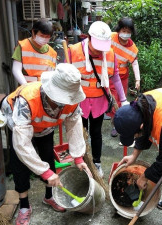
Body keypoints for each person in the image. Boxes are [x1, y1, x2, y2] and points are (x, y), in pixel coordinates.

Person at [1, 63, 92, 225]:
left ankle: (49, 196)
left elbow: (74, 125)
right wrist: (44, 172)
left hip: (44, 126)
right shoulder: (27, 100)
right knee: (20, 164)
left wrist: (78, 157)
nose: (65, 102)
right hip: (18, 123)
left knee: (48, 157)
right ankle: (24, 206)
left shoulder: (71, 100)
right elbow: (22, 144)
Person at [114, 88, 162, 225]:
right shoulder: (139, 106)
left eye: (133, 135)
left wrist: (144, 176)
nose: (135, 137)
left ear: (140, 126)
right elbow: (143, 133)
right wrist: (134, 156)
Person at [69, 21, 128, 178]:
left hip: (99, 101)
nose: (99, 49)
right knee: (79, 133)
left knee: (96, 133)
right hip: (78, 100)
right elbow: (66, 77)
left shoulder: (110, 53)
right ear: (88, 38)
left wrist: (123, 100)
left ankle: (96, 162)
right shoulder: (73, 51)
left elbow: (115, 76)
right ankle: (81, 163)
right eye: (97, 45)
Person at [109, 17, 140, 137]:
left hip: (122, 76)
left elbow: (135, 63)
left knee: (121, 100)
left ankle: (117, 124)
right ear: (119, 29)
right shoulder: (110, 37)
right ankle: (114, 119)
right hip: (109, 74)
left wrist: (138, 79)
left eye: (128, 31)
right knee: (112, 98)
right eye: (123, 30)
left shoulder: (133, 48)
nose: (125, 34)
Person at [12, 19, 57, 85]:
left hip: (44, 89)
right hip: (26, 89)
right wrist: (25, 85)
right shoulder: (23, 46)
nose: (44, 39)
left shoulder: (52, 53)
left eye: (47, 37)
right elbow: (16, 69)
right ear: (33, 32)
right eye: (42, 36)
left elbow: (52, 74)